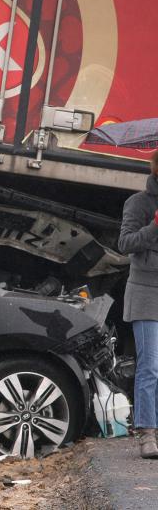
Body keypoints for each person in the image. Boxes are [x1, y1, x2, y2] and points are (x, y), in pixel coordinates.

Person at [119, 150, 158, 459]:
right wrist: (155, 226)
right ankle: (147, 433)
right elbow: (126, 244)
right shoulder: (139, 203)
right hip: (146, 293)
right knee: (150, 367)